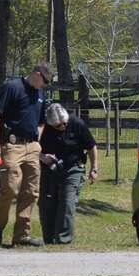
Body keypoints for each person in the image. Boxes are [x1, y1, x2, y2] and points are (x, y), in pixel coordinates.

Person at [0, 63, 52, 247]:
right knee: (10, 188)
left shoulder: (40, 93)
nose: (45, 85)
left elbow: (41, 122)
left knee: (31, 192)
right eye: (45, 81)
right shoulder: (12, 87)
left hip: (32, 147)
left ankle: (22, 236)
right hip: (12, 145)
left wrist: (37, 144)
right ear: (37, 74)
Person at [38, 103, 98, 245]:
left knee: (67, 203)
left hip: (73, 168)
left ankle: (63, 240)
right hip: (49, 169)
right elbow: (32, 147)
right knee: (47, 205)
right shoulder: (43, 128)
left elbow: (91, 146)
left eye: (64, 124)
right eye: (58, 126)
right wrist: (42, 157)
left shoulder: (77, 124)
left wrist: (94, 168)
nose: (63, 127)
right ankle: (49, 239)